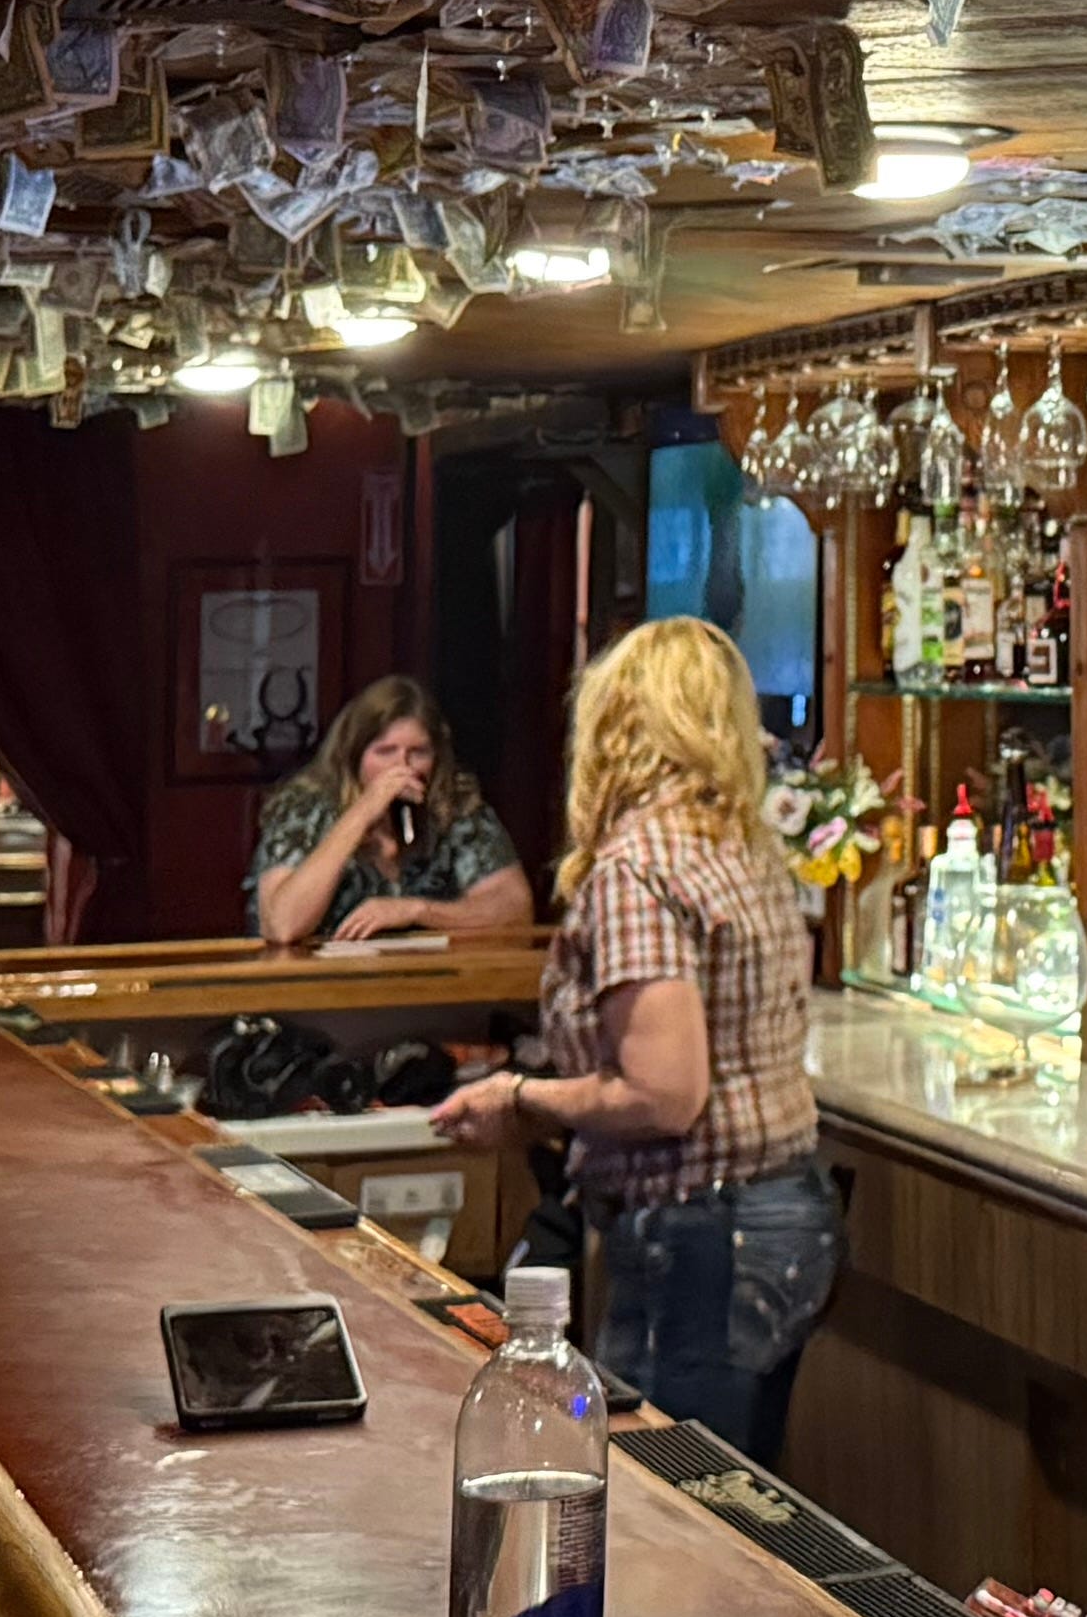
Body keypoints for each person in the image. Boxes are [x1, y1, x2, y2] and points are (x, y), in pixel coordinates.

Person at [430, 619, 838, 1451]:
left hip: (702, 1234)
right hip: (783, 1212)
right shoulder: (743, 849)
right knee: (738, 1495)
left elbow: (663, 1095)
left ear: (616, 726)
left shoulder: (639, 869)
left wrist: (523, 1098)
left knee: (669, 1492)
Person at [248, 679, 532, 952]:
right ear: (354, 756)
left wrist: (416, 910)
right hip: (321, 978)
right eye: (385, 752)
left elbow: (515, 909)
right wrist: (361, 814)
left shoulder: (454, 804)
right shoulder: (305, 807)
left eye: (418, 752)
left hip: (429, 977)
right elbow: (283, 926)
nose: (403, 767)